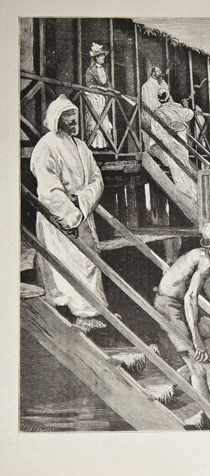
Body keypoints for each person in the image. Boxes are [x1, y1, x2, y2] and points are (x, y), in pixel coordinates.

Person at [30, 94, 107, 331]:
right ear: (58, 120)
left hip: (83, 212)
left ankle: (93, 310)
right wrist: (69, 213)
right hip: (59, 217)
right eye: (69, 119)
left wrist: (82, 201)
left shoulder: (82, 146)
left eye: (76, 118)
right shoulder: (46, 145)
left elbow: (97, 179)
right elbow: (48, 187)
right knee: (66, 263)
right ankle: (80, 314)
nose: (75, 123)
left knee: (89, 261)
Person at [153, 223, 210, 430]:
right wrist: (197, 340)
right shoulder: (205, 259)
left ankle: (173, 383)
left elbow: (207, 284)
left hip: (181, 305)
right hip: (169, 307)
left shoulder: (204, 257)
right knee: (198, 368)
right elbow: (191, 298)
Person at [152, 88, 198, 202]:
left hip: (169, 141)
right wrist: (184, 106)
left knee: (176, 165)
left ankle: (186, 191)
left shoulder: (157, 112)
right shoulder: (176, 108)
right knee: (184, 162)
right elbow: (190, 114)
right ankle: (191, 192)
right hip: (180, 139)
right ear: (168, 97)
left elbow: (155, 131)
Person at [85, 43, 114, 150]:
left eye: (103, 55)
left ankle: (104, 144)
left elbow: (107, 83)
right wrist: (100, 89)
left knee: (104, 119)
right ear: (96, 57)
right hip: (94, 97)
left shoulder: (105, 70)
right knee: (96, 119)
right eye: (101, 55)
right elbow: (89, 85)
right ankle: (94, 144)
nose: (103, 57)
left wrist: (111, 89)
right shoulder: (90, 70)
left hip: (103, 98)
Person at [141, 66, 170, 148]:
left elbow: (164, 93)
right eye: (158, 71)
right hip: (152, 112)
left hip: (157, 111)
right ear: (153, 73)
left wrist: (164, 94)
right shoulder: (147, 86)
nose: (160, 73)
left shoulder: (158, 83)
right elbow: (149, 102)